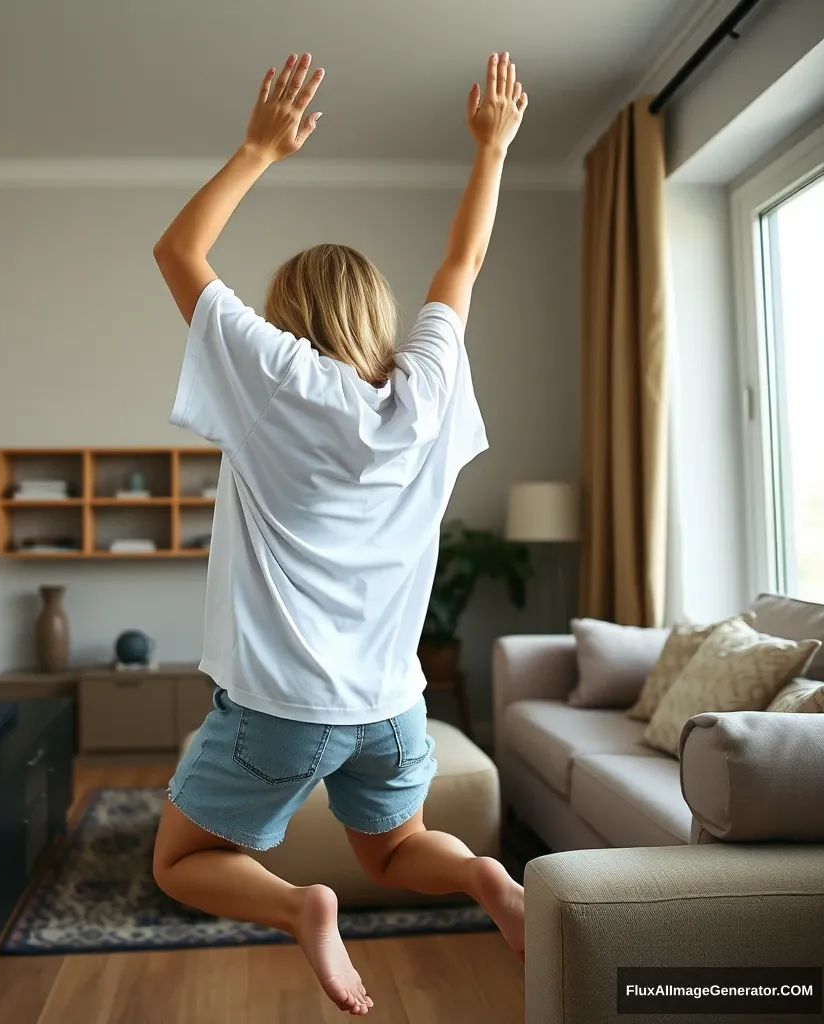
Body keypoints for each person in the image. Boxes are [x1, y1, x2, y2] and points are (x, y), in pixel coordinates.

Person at [151, 50, 528, 1016]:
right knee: (397, 851)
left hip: (282, 706)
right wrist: (492, 146)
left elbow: (178, 254)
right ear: (377, 318)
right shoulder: (427, 386)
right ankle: (492, 880)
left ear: (290, 319)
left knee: (183, 860)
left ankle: (299, 910)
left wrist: (258, 148)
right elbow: (464, 262)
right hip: (393, 707)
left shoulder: (278, 377)